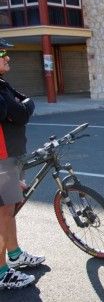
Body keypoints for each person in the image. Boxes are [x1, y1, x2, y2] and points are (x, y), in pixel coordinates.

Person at [0, 39, 45, 289]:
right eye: (2, 53)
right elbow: (18, 112)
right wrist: (20, 108)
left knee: (8, 209)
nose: (7, 57)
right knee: (2, 213)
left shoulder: (2, 84)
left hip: (10, 157)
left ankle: (15, 255)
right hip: (1, 159)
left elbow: (23, 106)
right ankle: (1, 272)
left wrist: (20, 107)